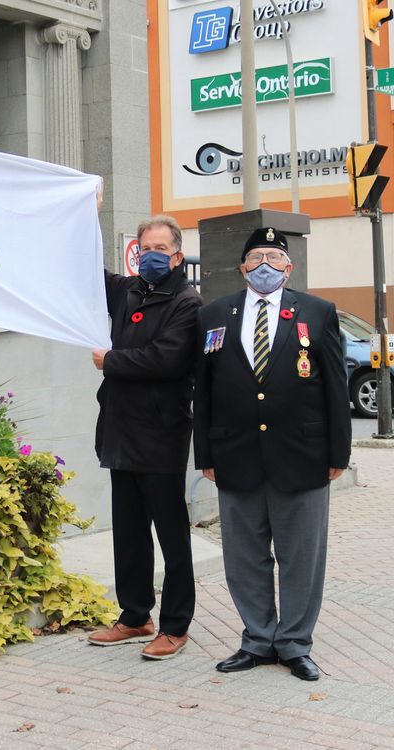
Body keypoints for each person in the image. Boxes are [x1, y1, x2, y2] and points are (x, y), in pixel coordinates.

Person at [194, 227, 351, 681]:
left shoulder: (318, 313)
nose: (266, 264)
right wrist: (205, 451)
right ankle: (258, 640)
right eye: (256, 257)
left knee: (301, 557)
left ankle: (295, 643)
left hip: (303, 455)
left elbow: (336, 388)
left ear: (289, 266)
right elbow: (202, 391)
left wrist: (338, 450)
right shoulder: (216, 314)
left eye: (275, 257)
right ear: (242, 267)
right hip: (235, 454)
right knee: (244, 556)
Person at [88, 214, 201, 660]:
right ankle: (135, 616)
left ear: (176, 255)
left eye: (160, 249)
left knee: (172, 536)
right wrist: (88, 212)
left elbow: (167, 360)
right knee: (130, 532)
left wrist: (112, 361)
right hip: (121, 431)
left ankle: (175, 626)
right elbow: (85, 271)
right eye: (144, 248)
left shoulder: (187, 303)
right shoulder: (129, 289)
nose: (151, 256)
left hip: (161, 435)